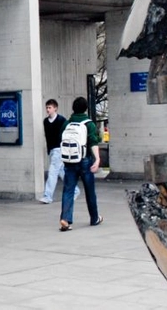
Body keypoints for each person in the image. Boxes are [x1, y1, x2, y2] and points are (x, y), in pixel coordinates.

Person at [58, 97, 104, 232]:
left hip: (69, 161)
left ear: (73, 108)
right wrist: (97, 159)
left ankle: (65, 219)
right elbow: (93, 142)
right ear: (85, 108)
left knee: (68, 190)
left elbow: (61, 139)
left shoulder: (66, 123)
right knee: (90, 191)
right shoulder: (89, 124)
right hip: (85, 161)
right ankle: (94, 218)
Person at [40, 99, 80, 204]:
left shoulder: (61, 120)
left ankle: (47, 196)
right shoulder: (45, 121)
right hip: (52, 150)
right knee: (62, 172)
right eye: (47, 107)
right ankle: (75, 190)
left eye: (50, 107)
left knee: (52, 172)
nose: (48, 110)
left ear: (55, 108)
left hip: (59, 149)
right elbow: (48, 137)